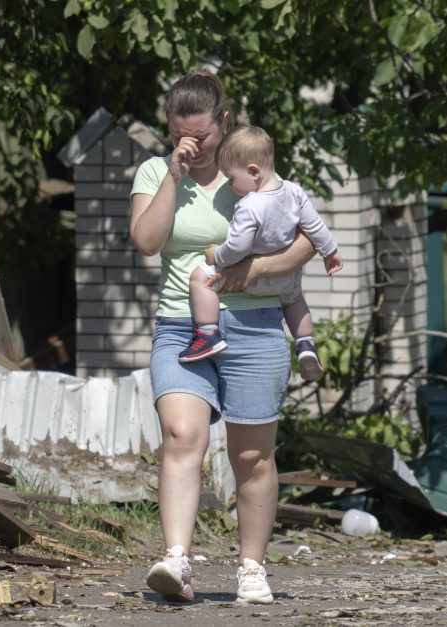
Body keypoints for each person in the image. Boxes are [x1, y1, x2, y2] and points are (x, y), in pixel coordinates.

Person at [129, 70, 319, 605]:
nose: (191, 144)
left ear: (224, 123)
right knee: (181, 435)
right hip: (181, 323)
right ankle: (176, 559)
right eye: (178, 133)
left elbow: (307, 239)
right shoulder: (154, 170)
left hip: (256, 326)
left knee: (252, 457)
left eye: (201, 136)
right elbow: (146, 241)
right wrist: (173, 173)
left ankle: (252, 569)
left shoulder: (255, 172)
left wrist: (257, 272)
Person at [177, 125, 343, 381]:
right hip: (286, 276)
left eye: (231, 179)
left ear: (253, 171)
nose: (231, 186)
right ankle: (305, 343)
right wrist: (330, 252)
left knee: (200, 279)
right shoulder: (294, 192)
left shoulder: (249, 205)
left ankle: (208, 334)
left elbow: (237, 248)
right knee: (295, 301)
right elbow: (314, 226)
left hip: (250, 280)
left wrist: (216, 255)